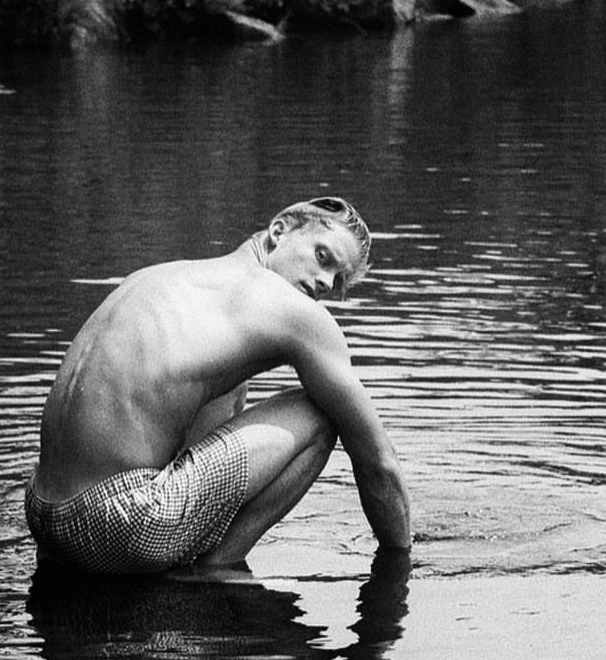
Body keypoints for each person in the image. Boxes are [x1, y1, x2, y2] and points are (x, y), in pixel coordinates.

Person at [25, 197, 411, 574]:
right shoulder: (293, 310)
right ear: (279, 230)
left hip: (44, 520)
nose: (326, 282)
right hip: (120, 527)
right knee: (323, 415)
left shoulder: (162, 277)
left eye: (339, 281)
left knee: (228, 388)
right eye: (323, 257)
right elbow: (378, 461)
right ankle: (216, 570)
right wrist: (400, 566)